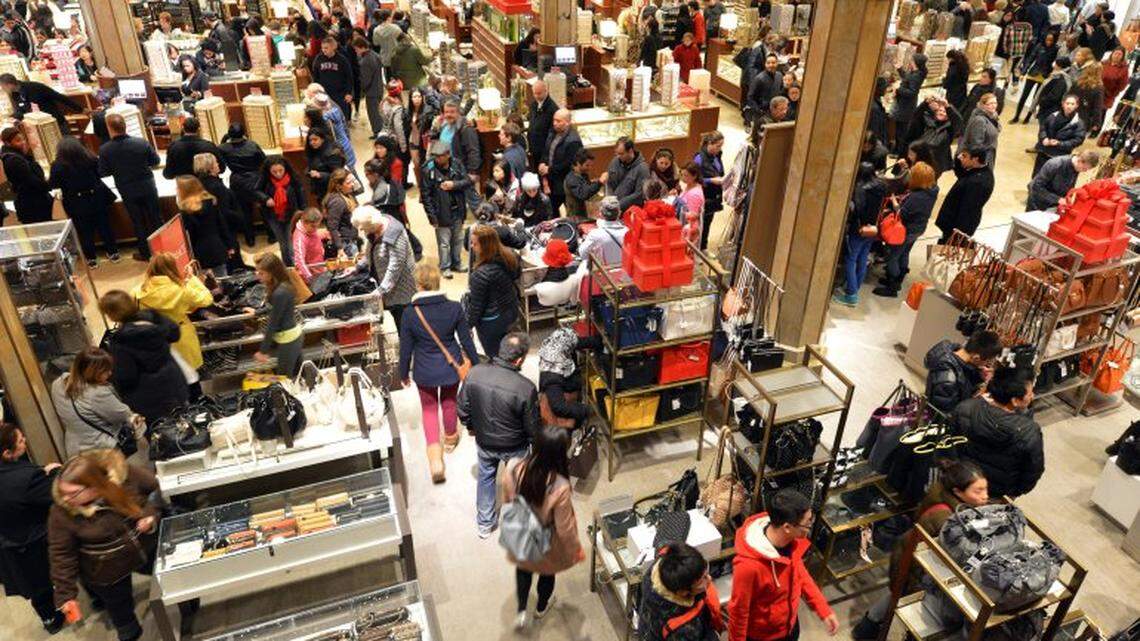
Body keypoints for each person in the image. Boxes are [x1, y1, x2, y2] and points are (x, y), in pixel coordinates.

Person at [851, 460, 991, 640]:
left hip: (910, 556)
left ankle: (867, 627)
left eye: (985, 489)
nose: (985, 496)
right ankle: (867, 629)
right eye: (978, 491)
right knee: (905, 598)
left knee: (896, 595)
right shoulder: (945, 518)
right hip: (913, 564)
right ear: (957, 492)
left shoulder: (943, 496)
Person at [47, 450, 160, 641]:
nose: (65, 499)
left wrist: (150, 515)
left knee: (167, 580)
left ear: (95, 486)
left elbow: (155, 491)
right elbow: (61, 554)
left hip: (143, 548)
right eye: (62, 493)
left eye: (73, 493)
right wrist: (66, 595)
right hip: (104, 569)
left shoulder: (126, 476)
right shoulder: (61, 512)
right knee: (120, 610)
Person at [399, 262, 479, 483]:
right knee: (449, 402)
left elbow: (405, 349)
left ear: (418, 284)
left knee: (429, 409)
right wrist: (476, 363)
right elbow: (466, 340)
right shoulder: (454, 308)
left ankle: (435, 460)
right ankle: (450, 439)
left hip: (424, 370)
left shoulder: (409, 313)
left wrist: (403, 373)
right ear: (437, 282)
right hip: (450, 366)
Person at [457, 332, 541, 538]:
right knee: (519, 484)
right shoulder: (525, 387)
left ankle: (484, 524)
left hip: (484, 442)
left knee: (485, 478)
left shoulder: (474, 373)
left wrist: (472, 427)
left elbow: (462, 409)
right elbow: (532, 427)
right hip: (515, 445)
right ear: (519, 359)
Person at [729, 489, 839, 641]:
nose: (810, 527)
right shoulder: (747, 567)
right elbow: (739, 612)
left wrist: (823, 609)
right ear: (787, 527)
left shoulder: (791, 542)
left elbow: (800, 575)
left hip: (790, 627)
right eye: (807, 523)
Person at [501, 425, 582, 630]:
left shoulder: (515, 467)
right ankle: (541, 607)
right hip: (546, 537)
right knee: (547, 571)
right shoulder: (560, 486)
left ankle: (521, 611)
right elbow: (564, 527)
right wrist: (575, 549)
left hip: (521, 530)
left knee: (524, 569)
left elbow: (508, 498)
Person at [0, 424, 65, 635]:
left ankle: (49, 619)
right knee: (57, 575)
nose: (25, 441)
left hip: (9, 545)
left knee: (36, 588)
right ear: (7, 453)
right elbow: (56, 493)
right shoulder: (26, 478)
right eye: (20, 440)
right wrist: (55, 472)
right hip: (36, 540)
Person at [952, 367, 1045, 498]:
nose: (1032, 396)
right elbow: (1033, 471)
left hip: (962, 483)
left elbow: (950, 445)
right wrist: (1014, 492)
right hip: (998, 494)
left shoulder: (966, 408)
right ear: (1015, 401)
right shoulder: (1029, 432)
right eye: (1029, 393)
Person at [98, 290, 187, 423]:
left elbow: (126, 376)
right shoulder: (153, 317)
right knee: (184, 424)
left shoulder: (121, 341)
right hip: (175, 384)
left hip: (148, 398)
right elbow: (175, 334)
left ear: (112, 313)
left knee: (161, 431)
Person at [132, 253, 214, 395]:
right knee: (191, 382)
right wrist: (192, 279)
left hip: (153, 341)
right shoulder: (182, 290)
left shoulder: (137, 291)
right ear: (172, 268)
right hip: (181, 337)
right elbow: (207, 299)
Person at [49, 347, 138, 458]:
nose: (110, 373)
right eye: (105, 371)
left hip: (75, 450)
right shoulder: (97, 393)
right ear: (92, 372)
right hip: (101, 450)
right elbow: (123, 415)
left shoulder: (58, 384)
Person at [98, 114, 161, 261]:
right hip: (147, 186)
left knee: (138, 222)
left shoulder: (105, 149)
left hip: (127, 189)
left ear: (109, 128)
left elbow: (103, 172)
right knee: (156, 218)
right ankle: (162, 249)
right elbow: (155, 161)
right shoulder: (141, 143)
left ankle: (145, 253)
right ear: (125, 125)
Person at [50, 136, 119, 267]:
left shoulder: (57, 165)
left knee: (84, 231)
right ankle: (113, 252)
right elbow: (100, 174)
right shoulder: (90, 159)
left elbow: (54, 184)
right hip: (97, 197)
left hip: (75, 201)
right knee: (104, 226)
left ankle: (91, 259)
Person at [875, 161, 938, 298]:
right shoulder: (933, 190)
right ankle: (898, 280)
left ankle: (892, 287)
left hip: (906, 230)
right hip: (918, 228)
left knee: (892, 257)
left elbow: (901, 213)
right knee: (904, 253)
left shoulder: (917, 197)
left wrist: (894, 201)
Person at [638, 542, 724, 641]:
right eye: (702, 581)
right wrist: (715, 636)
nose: (709, 578)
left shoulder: (658, 570)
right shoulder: (684, 629)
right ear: (683, 592)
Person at [352, 204, 417, 328]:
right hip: (387, 286)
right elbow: (369, 252)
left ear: (373, 225)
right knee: (396, 314)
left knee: (404, 322)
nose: (364, 232)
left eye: (365, 229)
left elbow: (396, 266)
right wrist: (358, 267)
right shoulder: (374, 230)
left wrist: (382, 290)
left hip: (401, 288)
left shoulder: (395, 233)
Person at [834, 163, 886, 307]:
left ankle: (851, 295)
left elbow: (858, 210)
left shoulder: (860, 189)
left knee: (850, 260)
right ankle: (854, 288)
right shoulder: (881, 186)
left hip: (859, 230)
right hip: (873, 230)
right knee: (863, 258)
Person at [467, 225, 522, 357]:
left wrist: (468, 325)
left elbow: (476, 307)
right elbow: (516, 276)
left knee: (494, 356)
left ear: (485, 246)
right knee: (511, 351)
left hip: (491, 321)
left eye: (475, 244)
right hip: (511, 310)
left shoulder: (480, 275)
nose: (472, 247)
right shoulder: (511, 256)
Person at [422, 140, 472, 277]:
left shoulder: (457, 164)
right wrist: (432, 217)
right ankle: (445, 267)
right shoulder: (428, 170)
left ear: (448, 154)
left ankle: (457, 263)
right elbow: (425, 196)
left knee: (458, 239)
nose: (437, 159)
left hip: (458, 210)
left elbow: (467, 181)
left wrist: (454, 185)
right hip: (441, 213)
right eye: (435, 156)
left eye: (440, 156)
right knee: (444, 243)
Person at [924, 329, 1003, 415]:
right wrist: (978, 400)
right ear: (976, 358)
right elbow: (946, 414)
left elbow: (964, 385)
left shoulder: (960, 361)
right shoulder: (948, 379)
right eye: (988, 361)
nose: (987, 365)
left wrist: (979, 376)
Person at [254, 156, 307, 266]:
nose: (278, 174)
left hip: (291, 213)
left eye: (280, 170)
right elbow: (256, 190)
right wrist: (266, 198)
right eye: (274, 172)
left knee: (290, 240)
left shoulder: (293, 177)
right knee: (283, 242)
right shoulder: (265, 178)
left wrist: (303, 210)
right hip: (273, 215)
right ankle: (288, 266)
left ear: (285, 168)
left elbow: (300, 193)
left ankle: (295, 264)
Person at [218, 123, 265, 246]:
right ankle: (271, 235)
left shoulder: (223, 148)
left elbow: (221, 163)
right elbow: (263, 160)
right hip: (255, 178)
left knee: (244, 211)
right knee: (263, 208)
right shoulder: (252, 145)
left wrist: (225, 139)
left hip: (237, 180)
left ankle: (250, 238)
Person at [935, 148, 995, 244]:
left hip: (956, 229)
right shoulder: (977, 170)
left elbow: (968, 210)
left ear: (975, 159)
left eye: (964, 156)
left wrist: (957, 234)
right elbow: (961, 174)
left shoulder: (978, 183)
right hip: (953, 223)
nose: (960, 157)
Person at [176, 175, 232, 277]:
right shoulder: (211, 202)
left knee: (204, 281)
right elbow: (222, 225)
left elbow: (190, 235)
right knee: (223, 278)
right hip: (217, 246)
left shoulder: (186, 211)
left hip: (200, 251)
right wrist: (229, 245)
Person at [192, 153, 242, 265]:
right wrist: (239, 217)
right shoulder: (216, 186)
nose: (218, 164)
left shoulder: (198, 183)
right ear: (209, 167)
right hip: (224, 228)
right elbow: (224, 211)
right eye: (215, 162)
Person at [1, 126, 53, 224]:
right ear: (8, 143)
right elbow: (31, 181)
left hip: (32, 202)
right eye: (18, 140)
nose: (23, 142)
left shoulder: (17, 156)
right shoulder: (14, 160)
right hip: (33, 205)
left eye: (23, 139)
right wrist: (49, 185)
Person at [901, 97, 962, 176]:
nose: (941, 113)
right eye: (940, 110)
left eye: (944, 112)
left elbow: (958, 120)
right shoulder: (928, 121)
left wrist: (947, 106)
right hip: (920, 158)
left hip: (937, 162)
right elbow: (916, 115)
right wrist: (925, 103)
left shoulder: (950, 128)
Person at [539, 108, 583, 216]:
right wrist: (542, 163)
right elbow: (547, 150)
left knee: (568, 211)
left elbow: (569, 164)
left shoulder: (573, 141)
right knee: (551, 209)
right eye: (554, 120)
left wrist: (549, 169)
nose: (554, 123)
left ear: (567, 122)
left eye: (558, 121)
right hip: (551, 179)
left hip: (563, 183)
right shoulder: (553, 132)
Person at [1031, 94, 1086, 178]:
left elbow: (1078, 140)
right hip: (1044, 152)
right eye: (1067, 103)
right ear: (1063, 104)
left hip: (1059, 156)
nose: (1069, 106)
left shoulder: (1078, 123)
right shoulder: (1053, 116)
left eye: (1072, 104)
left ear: (1077, 106)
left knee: (1050, 177)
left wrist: (1059, 143)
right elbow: (1043, 128)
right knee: (1037, 175)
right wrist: (1044, 138)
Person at [0, 73, 81, 130]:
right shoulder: (15, 94)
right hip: (39, 127)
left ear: (9, 85)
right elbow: (21, 110)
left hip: (56, 122)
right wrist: (12, 117)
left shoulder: (35, 87)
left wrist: (80, 109)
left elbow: (59, 97)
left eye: (2, 86)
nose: (2, 89)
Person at [436, 98, 482, 196]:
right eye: (446, 112)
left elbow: (473, 151)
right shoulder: (444, 126)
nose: (449, 114)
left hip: (463, 173)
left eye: (452, 112)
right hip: (449, 171)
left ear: (458, 113)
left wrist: (472, 173)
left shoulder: (466, 129)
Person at [1027, 150, 1100, 211]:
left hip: (1052, 204)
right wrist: (1058, 199)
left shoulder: (1076, 167)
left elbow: (1068, 184)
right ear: (1079, 160)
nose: (1085, 171)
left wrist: (1067, 196)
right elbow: (1036, 187)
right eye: (1084, 169)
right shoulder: (1055, 164)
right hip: (1037, 203)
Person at [1011, 33, 1059, 122]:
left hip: (1044, 75)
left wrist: (1051, 74)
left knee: (1036, 99)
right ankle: (1016, 116)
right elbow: (1030, 59)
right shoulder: (1039, 46)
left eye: (1051, 40)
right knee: (1024, 96)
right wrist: (1023, 72)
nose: (1048, 42)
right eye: (1047, 39)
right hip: (1033, 73)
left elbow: (1055, 64)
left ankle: (1028, 117)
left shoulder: (1055, 49)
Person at [693, 131, 725, 249]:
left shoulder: (717, 155)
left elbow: (719, 171)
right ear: (710, 143)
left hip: (714, 195)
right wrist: (711, 180)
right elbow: (694, 179)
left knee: (708, 221)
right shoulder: (699, 159)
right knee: (700, 223)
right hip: (703, 195)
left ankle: (703, 247)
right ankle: (696, 249)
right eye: (718, 146)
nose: (719, 149)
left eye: (721, 146)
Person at [892, 53, 928, 154]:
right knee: (900, 129)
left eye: (912, 60)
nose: (910, 61)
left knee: (901, 131)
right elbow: (907, 79)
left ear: (915, 62)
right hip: (905, 105)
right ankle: (897, 149)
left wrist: (898, 90)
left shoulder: (917, 75)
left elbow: (912, 92)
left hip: (906, 106)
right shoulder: (915, 73)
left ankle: (899, 151)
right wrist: (900, 69)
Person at [311, 36, 354, 118]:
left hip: (340, 94)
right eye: (322, 48)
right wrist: (316, 91)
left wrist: (349, 92)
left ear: (333, 47)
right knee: (327, 118)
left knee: (342, 117)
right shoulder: (318, 59)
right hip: (324, 94)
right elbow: (315, 77)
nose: (324, 50)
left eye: (326, 48)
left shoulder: (342, 60)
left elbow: (349, 77)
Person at [1022, 56, 1073, 125]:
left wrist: (1042, 103)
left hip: (1049, 110)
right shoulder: (1056, 75)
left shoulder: (1060, 78)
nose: (1053, 64)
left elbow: (1054, 96)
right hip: (1047, 109)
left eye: (1055, 63)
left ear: (1059, 66)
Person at [310, 96, 357, 170]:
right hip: (346, 144)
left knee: (345, 172)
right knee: (351, 169)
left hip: (339, 149)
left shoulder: (326, 119)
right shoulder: (335, 111)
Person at [606, 136, 650, 212]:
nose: (618, 156)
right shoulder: (615, 161)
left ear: (630, 151)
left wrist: (618, 204)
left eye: (621, 154)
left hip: (631, 211)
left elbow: (639, 194)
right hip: (613, 207)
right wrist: (608, 200)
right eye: (617, 153)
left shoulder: (643, 168)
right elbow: (609, 182)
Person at [323, 167, 360, 256]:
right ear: (339, 186)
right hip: (345, 244)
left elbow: (360, 189)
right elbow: (332, 226)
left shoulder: (347, 195)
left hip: (350, 241)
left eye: (352, 181)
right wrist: (340, 248)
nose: (352, 184)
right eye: (348, 183)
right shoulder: (337, 201)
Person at [304, 126, 347, 201]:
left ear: (322, 139)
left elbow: (338, 176)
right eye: (310, 140)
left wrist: (320, 175)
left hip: (332, 192)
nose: (312, 142)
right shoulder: (315, 150)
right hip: (321, 190)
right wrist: (308, 171)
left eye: (315, 139)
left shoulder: (332, 153)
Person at [960, 92, 1001, 168]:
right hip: (981, 159)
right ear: (983, 105)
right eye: (990, 103)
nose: (994, 106)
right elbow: (976, 144)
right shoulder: (980, 120)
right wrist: (981, 163)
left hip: (989, 154)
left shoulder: (992, 115)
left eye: (995, 103)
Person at [353, 36, 384, 136]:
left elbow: (365, 80)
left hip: (372, 91)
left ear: (362, 47)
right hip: (379, 87)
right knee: (378, 112)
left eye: (356, 49)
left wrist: (361, 90)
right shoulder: (375, 55)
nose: (356, 51)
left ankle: (377, 132)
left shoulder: (365, 61)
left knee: (373, 113)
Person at [407, 87, 438, 186]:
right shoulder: (408, 111)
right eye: (414, 97)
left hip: (424, 141)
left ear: (422, 97)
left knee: (427, 164)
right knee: (416, 165)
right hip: (413, 140)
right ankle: (420, 185)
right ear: (411, 98)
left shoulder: (428, 110)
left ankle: (429, 184)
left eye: (419, 96)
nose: (417, 99)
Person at [564, 149, 606, 220]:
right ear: (578, 163)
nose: (590, 168)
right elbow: (583, 194)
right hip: (577, 218)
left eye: (591, 165)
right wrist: (599, 182)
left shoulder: (583, 174)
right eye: (587, 165)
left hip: (586, 215)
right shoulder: (572, 178)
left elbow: (588, 188)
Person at [291, 207, 329, 282]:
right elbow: (299, 261)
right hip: (312, 274)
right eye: (313, 226)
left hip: (319, 267)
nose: (315, 229)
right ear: (304, 222)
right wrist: (309, 277)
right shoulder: (299, 238)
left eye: (317, 226)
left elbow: (315, 234)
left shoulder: (310, 230)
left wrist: (326, 234)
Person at [745, 54, 783, 124]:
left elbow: (780, 91)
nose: (771, 65)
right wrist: (758, 110)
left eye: (773, 62)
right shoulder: (759, 79)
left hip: (775, 112)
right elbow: (750, 97)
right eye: (768, 63)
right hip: (761, 114)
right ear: (765, 64)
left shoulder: (779, 76)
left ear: (777, 63)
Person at [528, 80, 558, 169]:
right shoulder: (533, 105)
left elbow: (551, 134)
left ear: (546, 91)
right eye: (535, 93)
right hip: (534, 148)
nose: (536, 96)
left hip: (543, 151)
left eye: (539, 93)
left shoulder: (552, 109)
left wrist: (545, 157)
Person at [1073, 61, 1105, 135]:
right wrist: (1096, 123)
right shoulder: (1098, 88)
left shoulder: (1078, 82)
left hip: (1070, 111)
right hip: (1083, 118)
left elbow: (1068, 95)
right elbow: (1097, 107)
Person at [372, 8, 402, 77]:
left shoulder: (376, 30)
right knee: (398, 78)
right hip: (396, 57)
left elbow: (376, 43)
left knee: (388, 77)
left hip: (384, 57)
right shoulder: (396, 28)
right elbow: (401, 40)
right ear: (389, 17)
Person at [943, 49, 970, 116]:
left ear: (951, 58)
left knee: (950, 109)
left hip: (953, 93)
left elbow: (948, 82)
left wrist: (944, 80)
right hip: (962, 92)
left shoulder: (953, 68)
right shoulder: (965, 65)